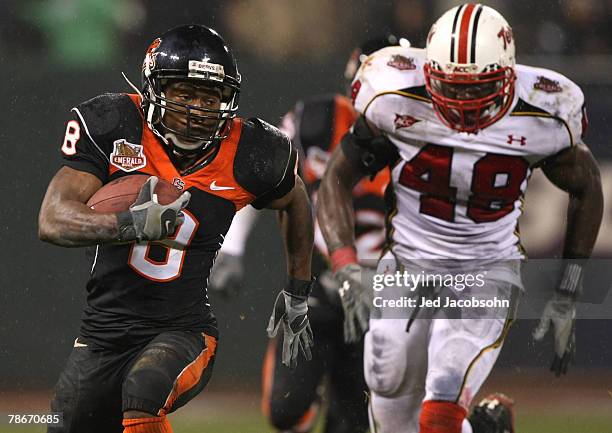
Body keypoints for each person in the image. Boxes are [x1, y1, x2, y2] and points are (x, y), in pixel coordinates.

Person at [317, 4, 603, 433]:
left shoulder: (546, 112)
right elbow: (336, 176)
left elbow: (588, 186)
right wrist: (345, 265)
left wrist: (570, 285)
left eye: (476, 88)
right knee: (390, 396)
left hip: (485, 271)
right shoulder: (393, 93)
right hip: (407, 267)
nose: (461, 102)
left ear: (507, 76)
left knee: (440, 411)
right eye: (450, 87)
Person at [38, 24, 315, 433]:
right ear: (155, 89)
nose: (197, 109)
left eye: (209, 96)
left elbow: (295, 199)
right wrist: (128, 224)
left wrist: (297, 292)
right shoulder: (114, 122)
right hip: (102, 334)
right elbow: (52, 219)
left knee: (143, 393)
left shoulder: (251, 151)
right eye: (184, 93)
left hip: (183, 330)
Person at [208, 36, 400, 433]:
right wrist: (231, 249)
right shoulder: (316, 120)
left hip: (381, 298)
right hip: (317, 284)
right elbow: (260, 176)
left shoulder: (420, 136)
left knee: (356, 422)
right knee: (286, 410)